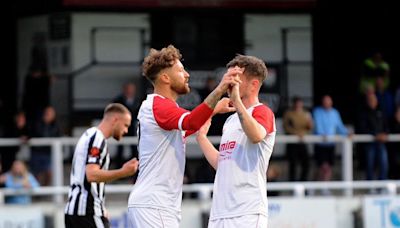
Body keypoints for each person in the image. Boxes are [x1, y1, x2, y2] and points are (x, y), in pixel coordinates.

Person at [127, 45, 239, 228]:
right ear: (165, 77)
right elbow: (192, 122)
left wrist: (215, 109)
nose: (187, 74)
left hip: (158, 204)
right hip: (155, 203)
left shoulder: (162, 107)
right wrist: (219, 90)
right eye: (180, 70)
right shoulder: (159, 105)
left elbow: (187, 128)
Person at [196, 54, 274, 228]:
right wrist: (201, 138)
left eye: (235, 79)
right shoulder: (231, 120)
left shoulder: (262, 112)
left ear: (254, 84)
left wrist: (237, 101)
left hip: (247, 211)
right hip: (219, 212)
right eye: (228, 77)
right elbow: (223, 163)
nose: (228, 84)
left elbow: (256, 136)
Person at [65, 103, 139, 228]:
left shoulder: (89, 135)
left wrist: (101, 206)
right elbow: (92, 174)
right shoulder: (97, 138)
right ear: (115, 120)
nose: (126, 130)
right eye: (125, 125)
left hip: (76, 210)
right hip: (86, 212)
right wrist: (123, 172)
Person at [312, 95, 349, 193]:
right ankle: (315, 185)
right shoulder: (317, 112)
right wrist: (321, 134)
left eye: (329, 101)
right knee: (322, 167)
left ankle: (324, 187)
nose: (327, 103)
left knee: (328, 167)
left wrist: (347, 133)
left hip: (331, 144)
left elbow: (339, 126)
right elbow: (317, 125)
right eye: (325, 101)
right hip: (320, 144)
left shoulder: (335, 113)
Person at [357, 93, 389, 181]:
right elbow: (362, 128)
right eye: (370, 100)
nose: (372, 102)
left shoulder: (381, 111)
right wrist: (375, 135)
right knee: (369, 164)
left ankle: (382, 185)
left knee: (384, 163)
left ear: (377, 101)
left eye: (374, 100)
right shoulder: (363, 113)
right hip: (369, 143)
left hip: (381, 143)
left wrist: (385, 134)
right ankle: (370, 186)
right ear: (367, 101)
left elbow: (386, 126)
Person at [283, 96, 313, 181]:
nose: (298, 105)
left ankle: (303, 183)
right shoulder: (289, 113)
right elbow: (286, 127)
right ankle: (292, 185)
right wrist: (296, 134)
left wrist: (308, 127)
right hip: (292, 143)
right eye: (297, 103)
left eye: (300, 104)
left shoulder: (306, 114)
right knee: (293, 164)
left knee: (306, 164)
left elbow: (309, 127)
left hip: (302, 142)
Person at [112, 82, 141, 169]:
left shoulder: (138, 100)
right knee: (120, 148)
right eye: (128, 89)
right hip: (121, 127)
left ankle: (135, 169)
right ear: (124, 90)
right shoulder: (118, 100)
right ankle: (119, 169)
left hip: (132, 128)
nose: (130, 91)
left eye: (131, 89)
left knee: (134, 149)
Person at [30, 106, 61, 186]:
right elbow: (36, 134)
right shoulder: (37, 123)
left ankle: (43, 189)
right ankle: (37, 190)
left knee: (49, 172)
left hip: (48, 153)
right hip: (37, 152)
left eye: (51, 113)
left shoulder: (56, 125)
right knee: (36, 174)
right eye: (47, 113)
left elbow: (57, 137)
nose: (48, 115)